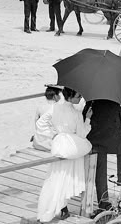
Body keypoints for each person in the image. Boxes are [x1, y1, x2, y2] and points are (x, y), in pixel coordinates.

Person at [37, 87, 92, 223]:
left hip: (59, 144)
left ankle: (54, 209)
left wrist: (53, 134)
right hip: (72, 147)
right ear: (71, 96)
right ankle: (60, 207)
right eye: (78, 96)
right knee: (66, 177)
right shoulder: (76, 112)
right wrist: (88, 120)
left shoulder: (54, 107)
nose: (80, 99)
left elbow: (40, 123)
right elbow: (82, 134)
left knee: (55, 176)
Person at [83, 100, 121, 212]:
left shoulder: (93, 100)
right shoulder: (118, 100)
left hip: (96, 139)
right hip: (114, 139)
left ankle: (103, 200)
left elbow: (84, 116)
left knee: (100, 171)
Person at [32, 85, 63, 151]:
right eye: (59, 95)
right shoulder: (58, 108)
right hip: (50, 145)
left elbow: (36, 124)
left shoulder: (40, 107)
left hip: (37, 143)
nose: (60, 97)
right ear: (55, 96)